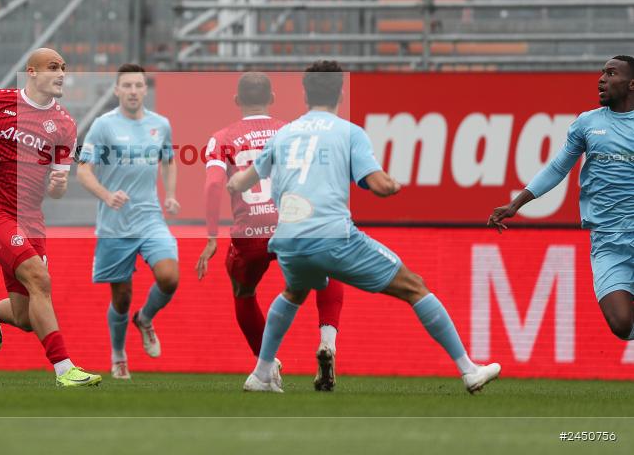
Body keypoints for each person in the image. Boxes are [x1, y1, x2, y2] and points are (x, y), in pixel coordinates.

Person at [228, 61, 501, 394]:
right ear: (341, 91)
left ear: (304, 93)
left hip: (288, 240)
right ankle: (469, 370)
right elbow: (378, 184)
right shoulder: (349, 132)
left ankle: (261, 374)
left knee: (293, 292)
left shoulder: (284, 133)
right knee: (414, 286)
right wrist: (392, 184)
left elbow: (242, 180)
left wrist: (232, 183)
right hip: (333, 236)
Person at [0, 48, 101, 387]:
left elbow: (56, 191)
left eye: (64, 68)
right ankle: (64, 369)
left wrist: (59, 181)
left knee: (24, 317)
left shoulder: (65, 125)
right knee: (40, 279)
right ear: (32, 72)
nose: (61, 74)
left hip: (31, 219)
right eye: (53, 67)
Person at [196, 72, 345, 391]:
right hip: (294, 224)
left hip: (250, 232)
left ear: (237, 101)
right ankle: (327, 342)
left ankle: (267, 366)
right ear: (273, 98)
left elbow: (212, 186)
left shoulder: (222, 137)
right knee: (328, 271)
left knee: (244, 292)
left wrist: (211, 236)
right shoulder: (291, 132)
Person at [489, 55, 634, 343]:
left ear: (631, 84)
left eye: (611, 73)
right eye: (601, 72)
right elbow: (557, 168)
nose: (601, 79)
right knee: (621, 324)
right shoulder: (587, 124)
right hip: (607, 240)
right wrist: (515, 204)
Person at [77, 63, 179, 380]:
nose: (133, 91)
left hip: (150, 218)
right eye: (127, 86)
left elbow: (169, 160)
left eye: (138, 85)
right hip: (115, 224)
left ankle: (145, 318)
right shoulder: (103, 126)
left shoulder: (160, 124)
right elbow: (82, 170)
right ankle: (119, 355)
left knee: (169, 277)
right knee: (121, 298)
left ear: (145, 90)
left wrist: (171, 195)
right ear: (117, 90)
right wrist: (107, 196)